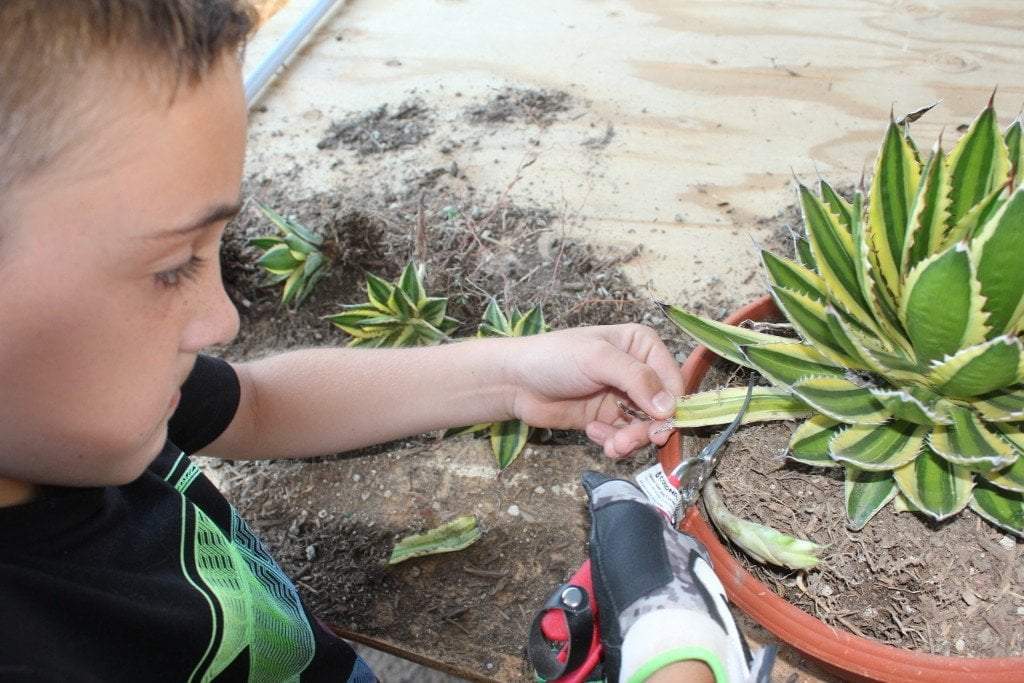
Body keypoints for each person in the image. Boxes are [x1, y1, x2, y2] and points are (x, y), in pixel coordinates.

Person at [0, 1, 769, 681]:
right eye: (172, 267)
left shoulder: (72, 414)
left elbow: (259, 404)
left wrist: (508, 376)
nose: (223, 320)